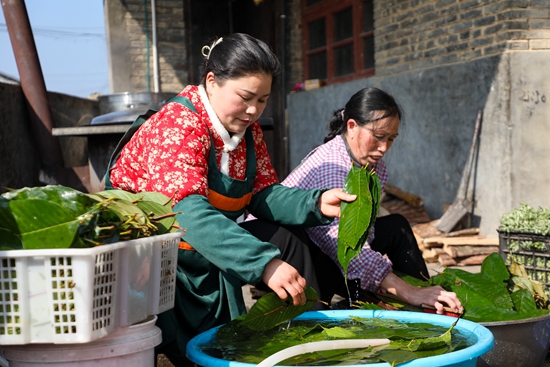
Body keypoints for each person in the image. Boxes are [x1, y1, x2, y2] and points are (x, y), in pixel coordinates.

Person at [106, 33, 356, 366]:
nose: (253, 110)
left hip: (208, 247)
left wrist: (316, 203)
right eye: (246, 97)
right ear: (212, 82)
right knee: (187, 351)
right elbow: (187, 212)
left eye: (263, 100)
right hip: (158, 261)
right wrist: (263, 263)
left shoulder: (246, 130)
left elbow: (263, 192)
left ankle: (302, 343)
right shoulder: (178, 124)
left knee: (289, 241)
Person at [281, 87, 463, 315]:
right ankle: (405, 298)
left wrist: (390, 279)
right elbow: (344, 245)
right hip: (295, 258)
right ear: (352, 127)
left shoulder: (374, 168)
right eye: (378, 137)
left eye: (390, 139)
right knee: (336, 265)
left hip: (335, 251)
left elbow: (366, 231)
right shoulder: (334, 166)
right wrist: (404, 290)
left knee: (397, 226)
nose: (384, 148)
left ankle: (429, 299)